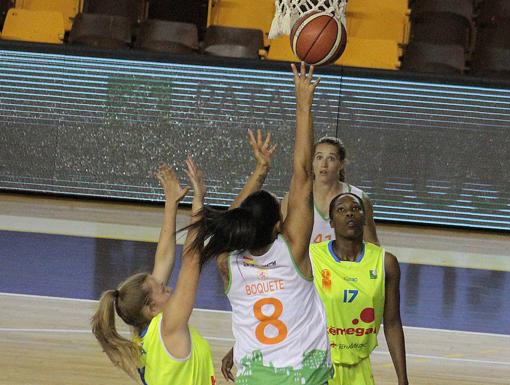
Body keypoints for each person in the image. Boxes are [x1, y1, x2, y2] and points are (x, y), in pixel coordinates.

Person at [186, 63, 332, 385]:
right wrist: (303, 104)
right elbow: (303, 174)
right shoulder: (292, 250)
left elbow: (230, 220)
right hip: (304, 378)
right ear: (279, 226)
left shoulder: (227, 262)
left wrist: (260, 170)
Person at [91, 158, 216, 385]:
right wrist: (198, 201)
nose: (168, 287)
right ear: (152, 308)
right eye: (163, 289)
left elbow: (164, 257)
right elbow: (190, 262)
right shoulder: (169, 326)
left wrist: (171, 203)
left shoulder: (143, 330)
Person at [309, 192, 408, 385]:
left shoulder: (385, 262)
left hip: (360, 366)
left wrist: (402, 379)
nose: (349, 214)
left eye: (355, 209)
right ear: (331, 222)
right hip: (318, 364)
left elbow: (392, 323)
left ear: (364, 218)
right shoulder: (313, 257)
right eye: (341, 210)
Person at [280, 136, 379, 245]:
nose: (324, 164)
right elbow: (282, 242)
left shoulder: (359, 198)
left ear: (341, 164)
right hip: (306, 262)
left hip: (344, 261)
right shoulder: (294, 197)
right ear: (312, 162)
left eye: (331, 158)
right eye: (319, 157)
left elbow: (372, 245)